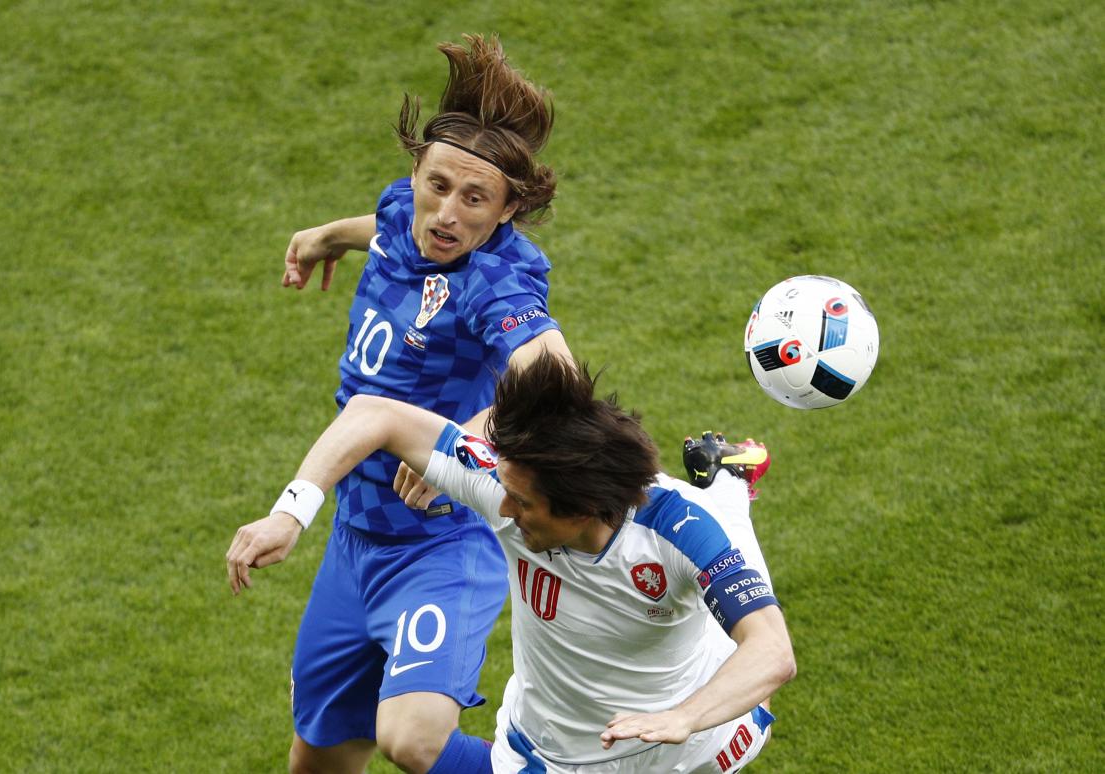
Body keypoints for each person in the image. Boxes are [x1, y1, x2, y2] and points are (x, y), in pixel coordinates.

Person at [232, 35, 571, 774]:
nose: (446, 214)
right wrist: (329, 236)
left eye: (474, 199)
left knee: (411, 739)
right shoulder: (402, 212)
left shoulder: (495, 282)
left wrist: (473, 432)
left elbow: (554, 372)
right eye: (437, 184)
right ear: (416, 170)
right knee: (318, 756)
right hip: (356, 541)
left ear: (509, 209)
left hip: (440, 543)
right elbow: (388, 231)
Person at [228, 352, 797, 773]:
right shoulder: (505, 486)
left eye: (522, 503)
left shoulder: (677, 531)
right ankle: (728, 479)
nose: (501, 509)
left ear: (582, 510)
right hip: (551, 754)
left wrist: (686, 718)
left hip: (692, 748)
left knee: (739, 609)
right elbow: (373, 414)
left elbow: (772, 653)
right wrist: (291, 513)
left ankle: (728, 484)